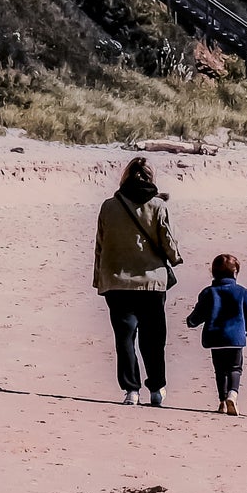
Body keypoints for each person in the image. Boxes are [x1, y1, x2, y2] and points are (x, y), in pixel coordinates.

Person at [93, 156, 182, 407]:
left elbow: (100, 244)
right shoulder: (158, 206)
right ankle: (156, 387)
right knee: (153, 338)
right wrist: (175, 258)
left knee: (125, 338)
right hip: (152, 282)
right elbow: (167, 239)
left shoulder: (109, 206)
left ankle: (131, 390)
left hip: (117, 281)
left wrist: (99, 277)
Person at [186, 253, 247, 415]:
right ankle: (233, 394)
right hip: (235, 338)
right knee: (235, 368)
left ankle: (222, 401)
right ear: (235, 273)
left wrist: (191, 321)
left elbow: (199, 313)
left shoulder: (208, 293)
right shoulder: (242, 292)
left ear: (213, 273)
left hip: (215, 337)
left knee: (219, 370)